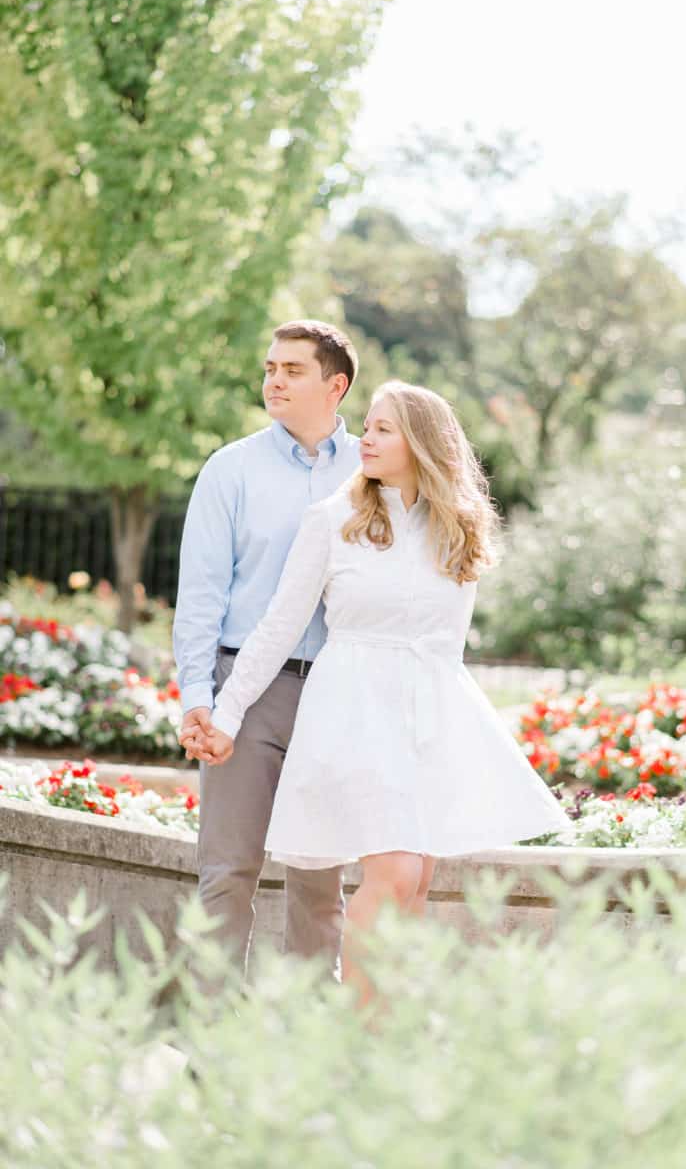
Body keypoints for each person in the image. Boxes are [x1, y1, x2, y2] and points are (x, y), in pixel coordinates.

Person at [189, 380, 575, 1008]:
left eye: (382, 428)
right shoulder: (333, 521)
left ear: (422, 441)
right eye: (366, 425)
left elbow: (447, 648)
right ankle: (359, 1041)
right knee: (393, 870)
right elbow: (277, 629)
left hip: (426, 716)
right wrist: (225, 714)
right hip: (350, 710)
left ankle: (391, 1034)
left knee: (416, 879)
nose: (363, 438)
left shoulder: (457, 528)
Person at [173, 319, 363, 987]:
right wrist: (200, 697)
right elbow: (200, 593)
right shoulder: (230, 469)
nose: (273, 381)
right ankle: (211, 1041)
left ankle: (307, 1045)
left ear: (334, 384)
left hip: (338, 693)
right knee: (227, 872)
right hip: (243, 694)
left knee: (320, 879)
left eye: (292, 370)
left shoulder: (375, 469)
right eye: (269, 368)